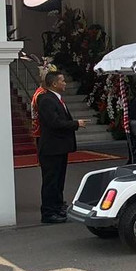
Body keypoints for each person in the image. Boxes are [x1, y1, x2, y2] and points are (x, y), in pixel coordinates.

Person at [37, 71, 87, 223]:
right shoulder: (46, 100)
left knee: (59, 180)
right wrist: (75, 124)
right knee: (51, 181)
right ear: (54, 84)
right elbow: (54, 123)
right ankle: (48, 212)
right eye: (62, 81)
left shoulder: (56, 99)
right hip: (51, 148)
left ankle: (58, 206)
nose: (65, 83)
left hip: (60, 148)